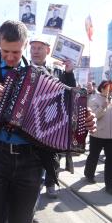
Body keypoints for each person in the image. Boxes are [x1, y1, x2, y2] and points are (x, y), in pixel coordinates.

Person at [0, 20, 96, 223]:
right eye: (5, 51)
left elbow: (65, 113)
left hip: (32, 162)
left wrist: (84, 118)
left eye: (16, 52)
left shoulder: (43, 76)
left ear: (26, 46)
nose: (10, 57)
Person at [29, 37, 77, 199]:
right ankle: (27, 207)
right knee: (30, 172)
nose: (35, 51)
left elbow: (70, 93)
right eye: (33, 47)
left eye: (39, 48)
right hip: (27, 125)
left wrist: (69, 73)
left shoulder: (57, 72)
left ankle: (50, 184)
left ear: (48, 51)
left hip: (50, 123)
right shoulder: (22, 68)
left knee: (51, 158)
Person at [85, 80, 112, 196]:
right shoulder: (94, 99)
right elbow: (93, 116)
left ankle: (110, 185)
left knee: (111, 160)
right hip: (98, 134)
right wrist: (103, 107)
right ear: (102, 88)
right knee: (94, 155)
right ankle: (89, 174)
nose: (110, 90)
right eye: (108, 88)